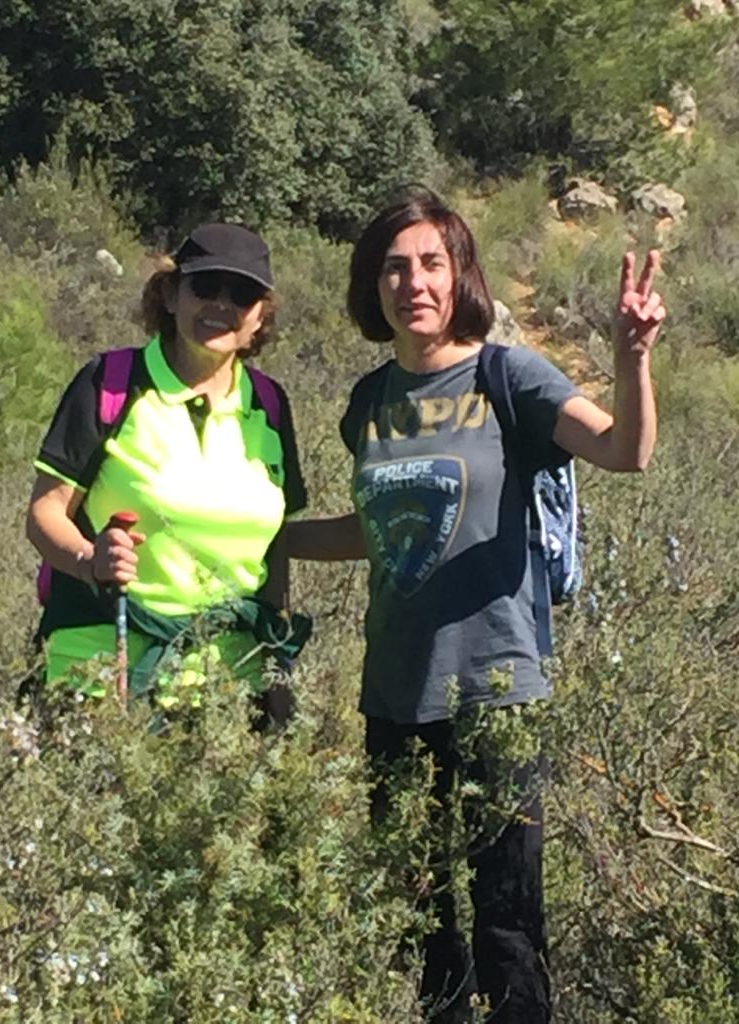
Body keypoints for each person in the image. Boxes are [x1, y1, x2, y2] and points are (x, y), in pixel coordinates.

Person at [286, 187, 665, 1022]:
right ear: (372, 285)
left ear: (460, 275)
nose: (413, 283)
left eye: (431, 263)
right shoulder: (368, 402)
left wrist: (632, 356)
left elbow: (623, 451)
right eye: (394, 268)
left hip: (496, 691)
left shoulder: (508, 376)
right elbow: (382, 530)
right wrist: (273, 542)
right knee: (419, 921)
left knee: (508, 924)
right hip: (393, 692)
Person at [27, 222, 308, 712]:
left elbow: (275, 546)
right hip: (102, 677)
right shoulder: (110, 383)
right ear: (171, 294)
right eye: (205, 286)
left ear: (260, 317)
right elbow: (45, 513)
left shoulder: (269, 404)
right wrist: (91, 561)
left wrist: (275, 661)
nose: (221, 304)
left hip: (229, 686)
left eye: (242, 294)